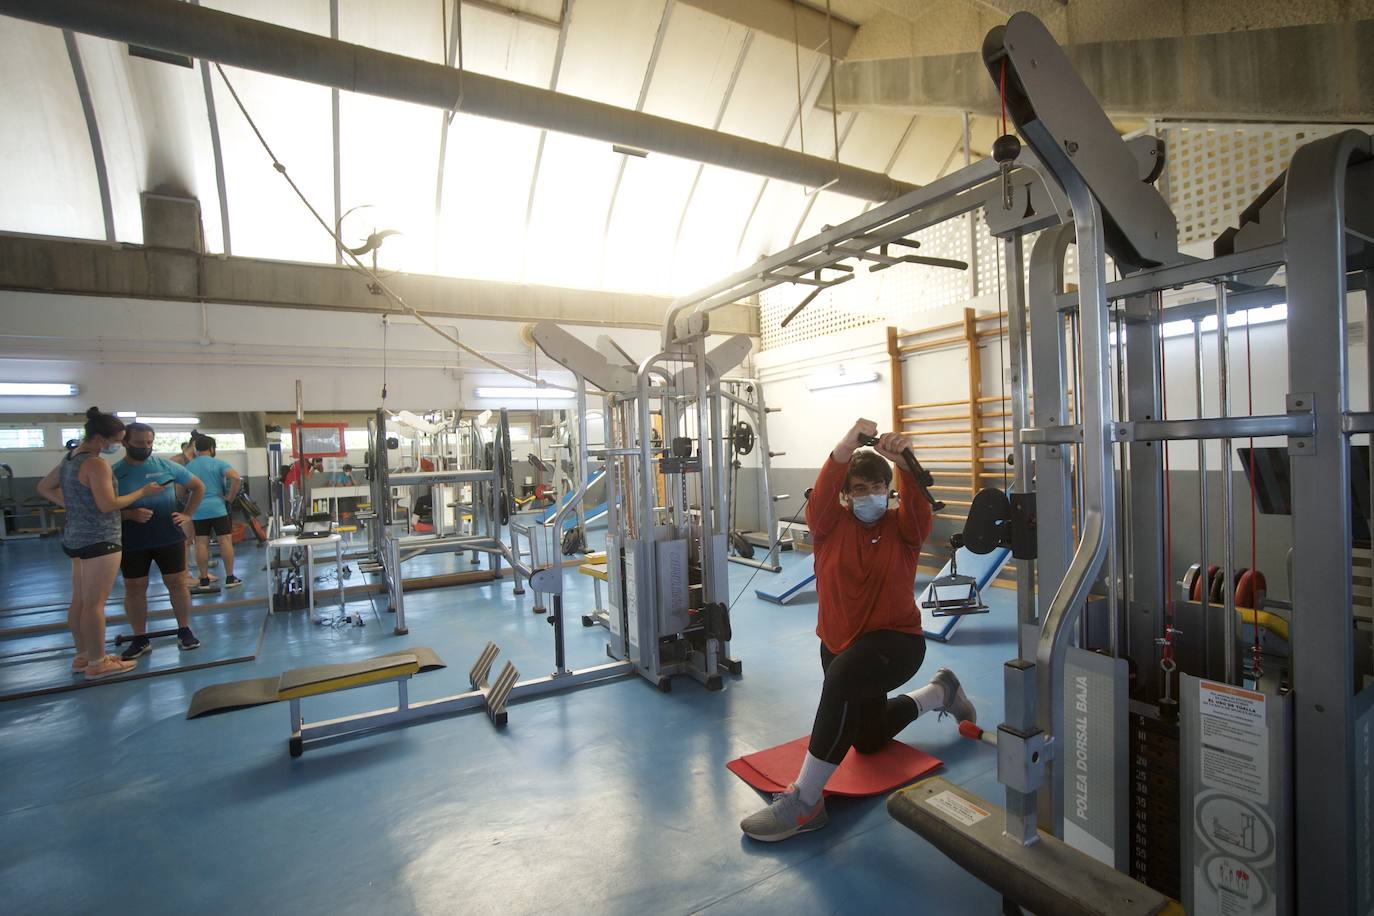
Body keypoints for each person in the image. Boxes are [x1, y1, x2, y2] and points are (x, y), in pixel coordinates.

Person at [740, 418, 977, 842]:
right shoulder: (828, 527)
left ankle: (806, 802)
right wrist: (844, 446)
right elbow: (824, 493)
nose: (870, 496)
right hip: (839, 644)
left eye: (877, 488)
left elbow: (919, 505)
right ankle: (941, 692)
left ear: (889, 492)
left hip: (896, 643)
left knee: (844, 678)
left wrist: (903, 460)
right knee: (866, 739)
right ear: (846, 496)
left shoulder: (904, 530)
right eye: (859, 489)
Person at [35, 407, 165, 680]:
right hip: (100, 539)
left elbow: (44, 487)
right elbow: (107, 505)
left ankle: (83, 655)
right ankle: (97, 661)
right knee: (95, 604)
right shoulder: (96, 464)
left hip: (75, 537)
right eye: (115, 441)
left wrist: (74, 507)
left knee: (80, 601)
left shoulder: (70, 458)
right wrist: (142, 492)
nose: (117, 446)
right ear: (100, 438)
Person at [113, 423, 207, 658]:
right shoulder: (114, 472)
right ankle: (140, 637)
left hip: (167, 535)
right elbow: (105, 506)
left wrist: (187, 514)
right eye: (139, 443)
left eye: (149, 443)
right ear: (125, 442)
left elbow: (198, 487)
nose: (145, 447)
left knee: (177, 582)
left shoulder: (166, 466)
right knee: (134, 587)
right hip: (133, 538)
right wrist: (128, 514)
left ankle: (184, 630)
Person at [186, 434, 243, 590]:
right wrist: (229, 497)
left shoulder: (190, 466)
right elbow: (236, 478)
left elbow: (180, 489)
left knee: (201, 543)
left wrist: (187, 502)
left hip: (197, 509)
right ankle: (230, 578)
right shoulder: (218, 463)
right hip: (218, 508)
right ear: (212, 448)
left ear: (196, 449)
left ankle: (203, 580)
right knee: (225, 541)